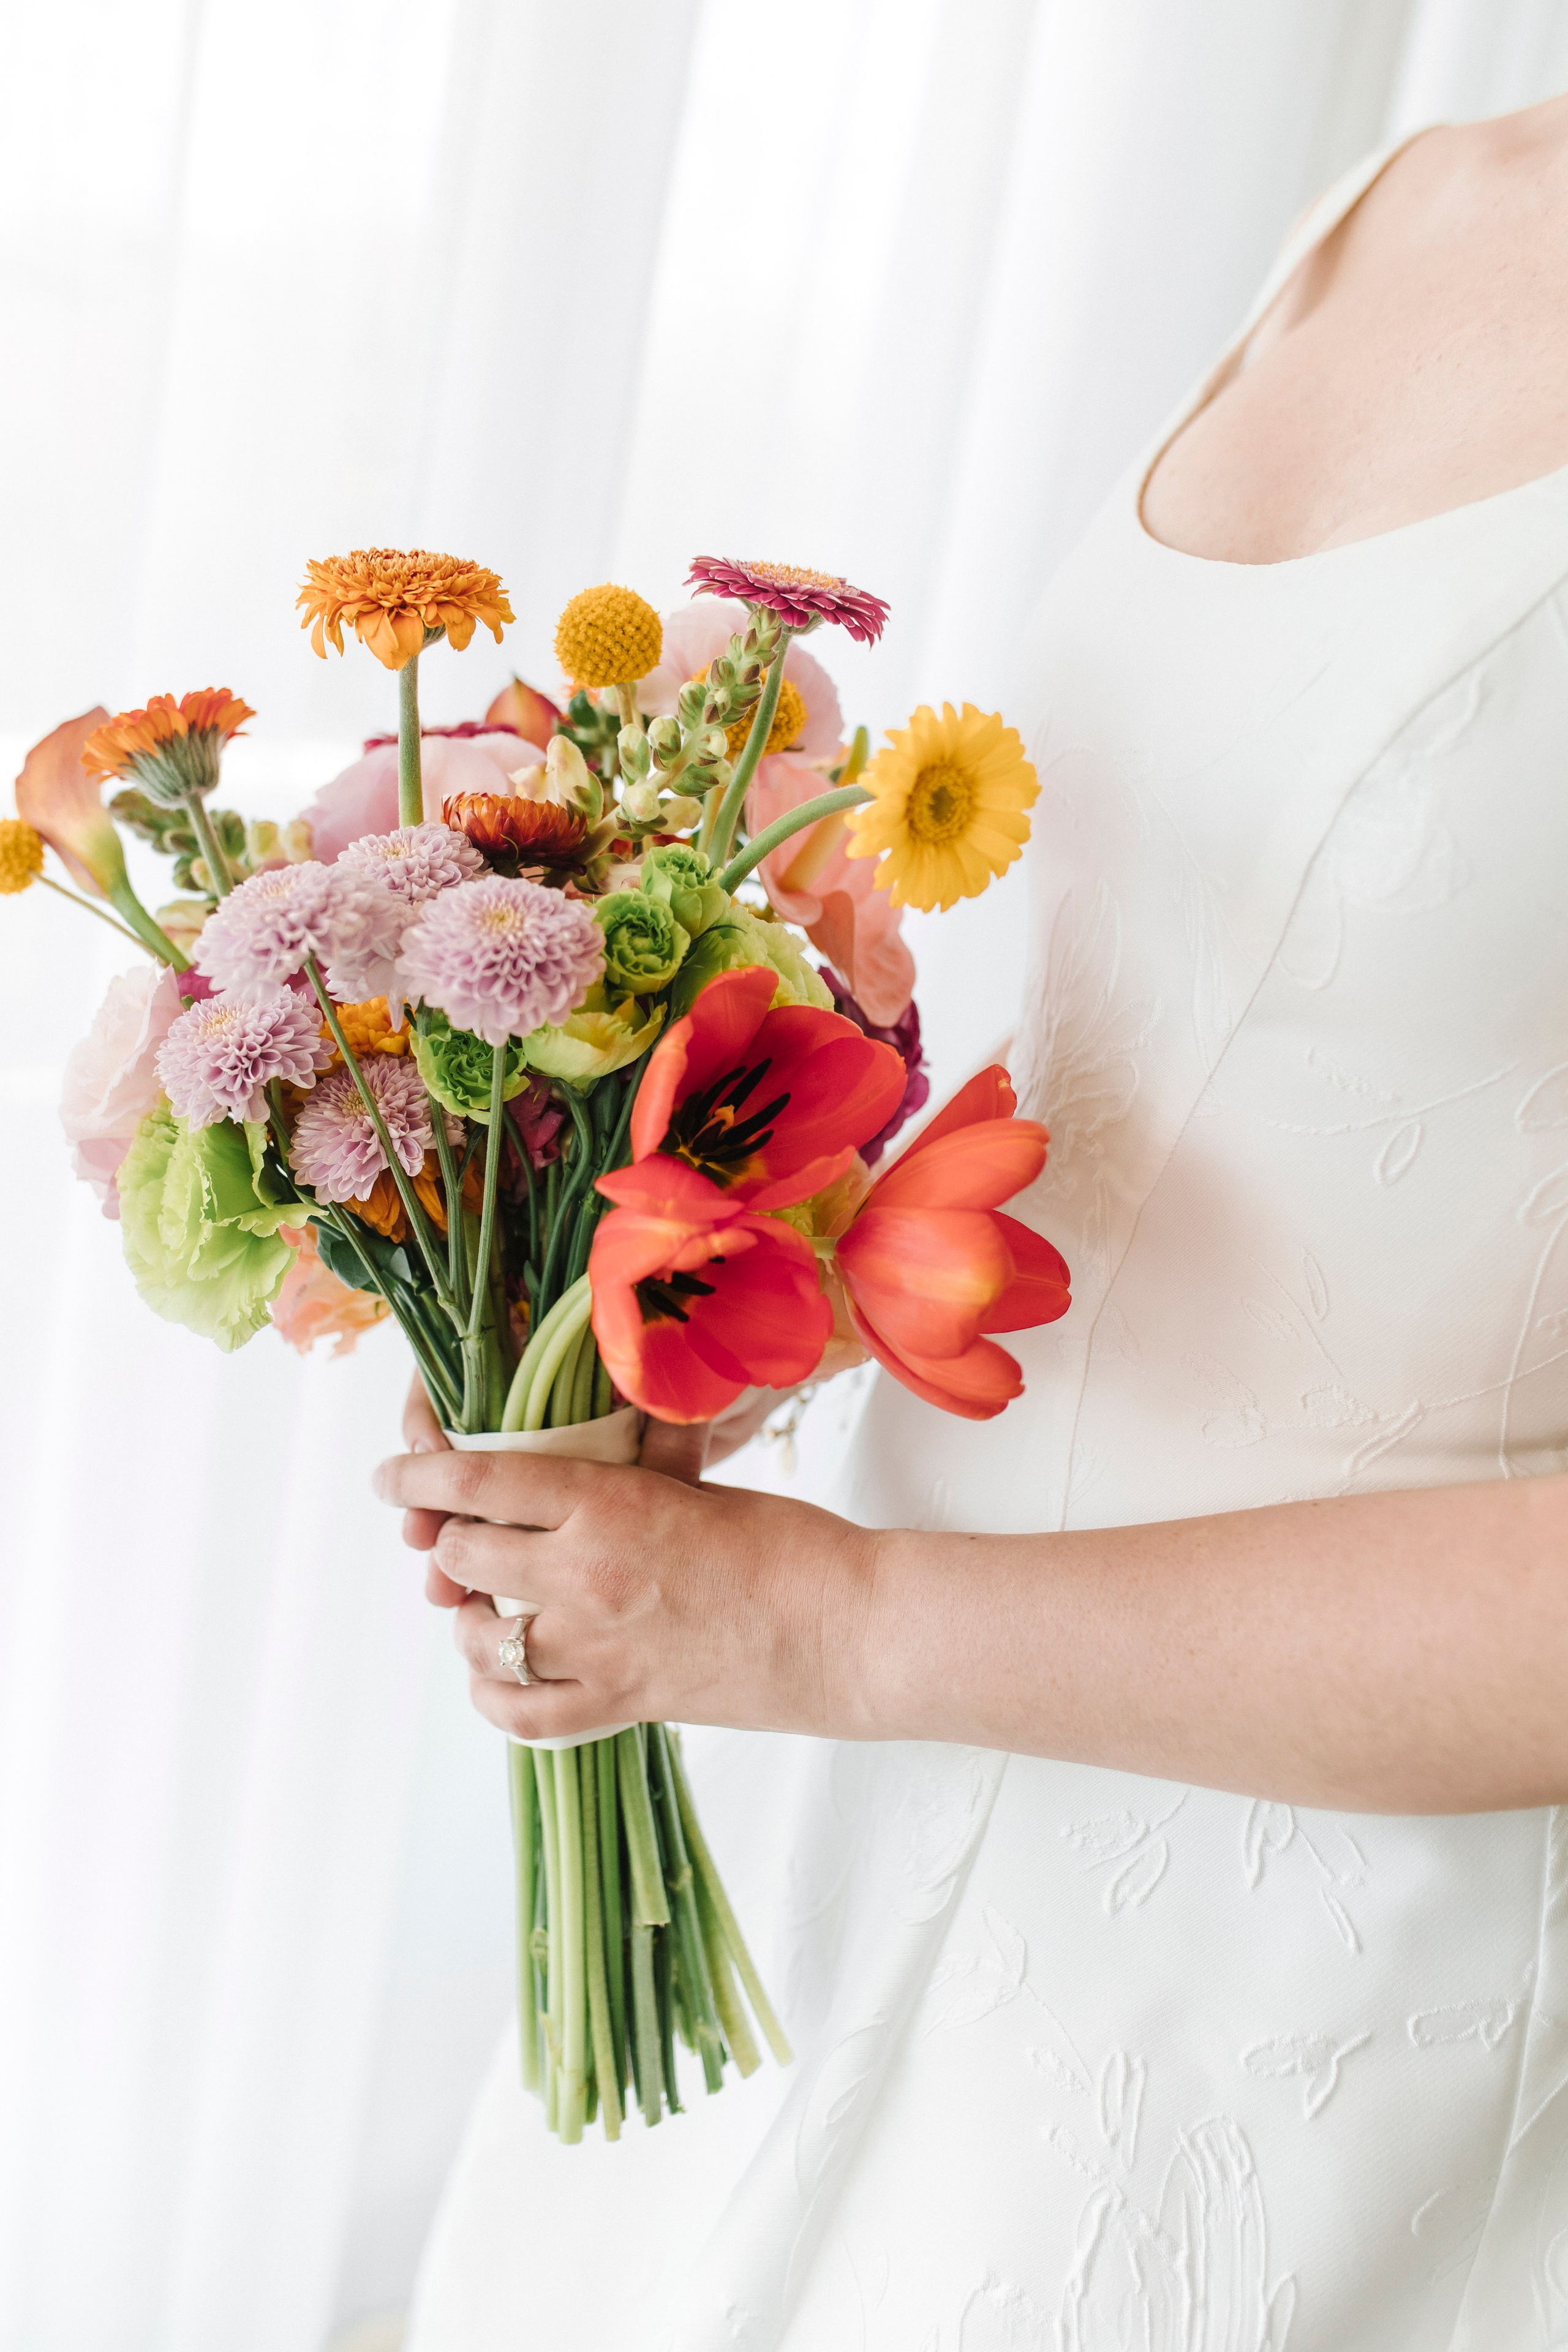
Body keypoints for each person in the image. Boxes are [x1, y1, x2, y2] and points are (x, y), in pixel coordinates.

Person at [379, 102, 1568, 2351]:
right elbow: (1236, 1061)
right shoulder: (1414, 189)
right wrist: (755, 1303)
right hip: (845, 1837)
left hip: (1308, 2013)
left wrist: (830, 1629)